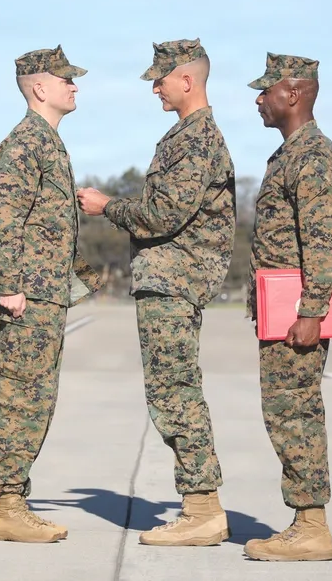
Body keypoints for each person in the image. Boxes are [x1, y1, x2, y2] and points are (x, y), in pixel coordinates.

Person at [76, 38, 237, 547]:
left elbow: (162, 215)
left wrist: (107, 206)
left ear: (186, 80)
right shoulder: (184, 136)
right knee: (171, 389)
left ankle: (202, 508)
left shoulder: (195, 140)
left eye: (160, 78)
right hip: (168, 279)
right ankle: (200, 503)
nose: (154, 87)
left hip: (175, 280)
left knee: (175, 391)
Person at [0, 45, 102, 543]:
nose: (74, 86)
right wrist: (9, 286)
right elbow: (1, 217)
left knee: (38, 395)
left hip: (45, 292)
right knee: (25, 396)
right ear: (39, 88)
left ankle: (14, 499)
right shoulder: (25, 142)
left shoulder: (47, 141)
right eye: (66, 79)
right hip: (27, 293)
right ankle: (7, 505)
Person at [242, 52, 332, 562]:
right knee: (284, 411)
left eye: (267, 91)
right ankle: (306, 520)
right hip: (280, 307)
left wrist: (312, 310)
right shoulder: (288, 154)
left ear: (295, 94)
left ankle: (311, 526)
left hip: (296, 311)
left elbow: (323, 237)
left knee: (296, 413)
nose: (260, 100)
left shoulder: (313, 154)